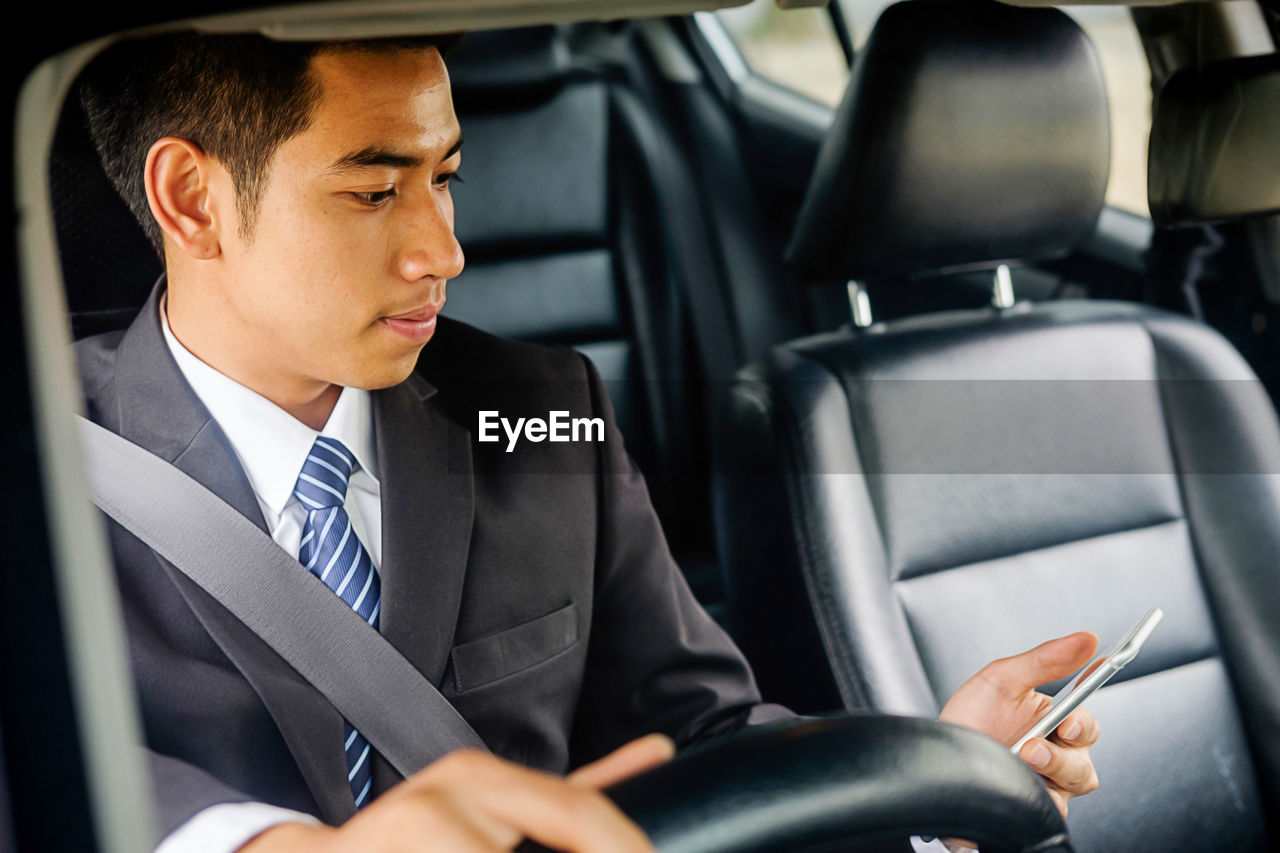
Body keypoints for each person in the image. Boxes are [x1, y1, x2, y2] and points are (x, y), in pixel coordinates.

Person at [73, 30, 1101, 853]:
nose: (444, 249)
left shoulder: (539, 411)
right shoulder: (42, 464)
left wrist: (924, 782)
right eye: (375, 191)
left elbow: (703, 735)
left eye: (446, 179)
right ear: (192, 200)